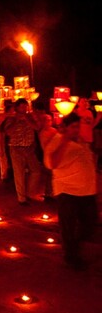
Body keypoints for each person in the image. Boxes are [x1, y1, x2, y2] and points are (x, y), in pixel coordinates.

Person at [44, 113, 98, 270]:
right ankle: (71, 256)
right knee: (69, 226)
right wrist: (65, 141)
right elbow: (52, 163)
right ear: (65, 127)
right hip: (68, 191)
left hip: (87, 190)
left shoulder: (81, 141)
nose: (77, 130)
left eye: (78, 126)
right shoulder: (56, 141)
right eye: (73, 127)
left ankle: (75, 248)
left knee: (90, 223)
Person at [3, 98, 43, 205]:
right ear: (17, 107)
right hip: (16, 148)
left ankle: (30, 192)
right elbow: (8, 132)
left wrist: (28, 120)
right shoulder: (11, 118)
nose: (24, 108)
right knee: (19, 174)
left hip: (29, 148)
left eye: (25, 106)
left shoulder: (30, 117)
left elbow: (37, 127)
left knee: (36, 171)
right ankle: (22, 199)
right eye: (22, 106)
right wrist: (17, 120)